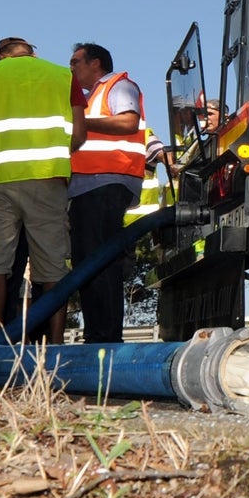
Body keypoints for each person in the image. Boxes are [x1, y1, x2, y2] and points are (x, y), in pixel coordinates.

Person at [0, 37, 84, 340]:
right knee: (52, 266)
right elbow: (79, 133)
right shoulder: (62, 75)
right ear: (32, 53)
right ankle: (56, 343)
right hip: (47, 179)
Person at [68, 42, 148, 343]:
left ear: (95, 64)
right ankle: (97, 333)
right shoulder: (88, 99)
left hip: (106, 182)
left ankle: (105, 336)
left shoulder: (118, 85)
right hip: (89, 186)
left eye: (76, 62)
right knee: (88, 261)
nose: (72, 68)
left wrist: (80, 121)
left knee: (99, 260)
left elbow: (128, 121)